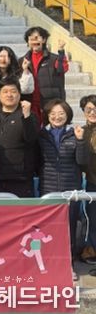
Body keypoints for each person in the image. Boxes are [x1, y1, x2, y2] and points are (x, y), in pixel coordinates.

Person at [37, 99, 84, 259]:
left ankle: (69, 263)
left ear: (68, 115)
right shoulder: (41, 135)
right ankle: (50, 261)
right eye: (53, 114)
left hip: (71, 189)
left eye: (61, 113)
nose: (57, 117)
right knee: (48, 228)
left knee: (69, 227)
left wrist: (80, 140)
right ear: (47, 115)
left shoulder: (75, 133)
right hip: (48, 188)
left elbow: (82, 161)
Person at [0, 77, 39, 198]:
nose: (9, 95)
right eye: (5, 91)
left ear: (19, 94)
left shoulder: (30, 115)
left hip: (22, 176)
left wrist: (26, 117)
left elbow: (31, 140)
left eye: (13, 91)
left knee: (23, 209)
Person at [22, 26, 68, 122]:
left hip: (50, 104)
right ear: (28, 42)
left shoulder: (54, 58)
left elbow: (62, 69)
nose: (34, 41)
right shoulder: (22, 61)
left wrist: (61, 52)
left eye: (37, 38)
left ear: (44, 40)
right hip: (31, 103)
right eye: (31, 39)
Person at [78, 95, 96, 263]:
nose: (92, 112)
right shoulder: (81, 131)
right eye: (89, 109)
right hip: (91, 181)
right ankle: (91, 249)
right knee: (91, 218)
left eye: (95, 109)